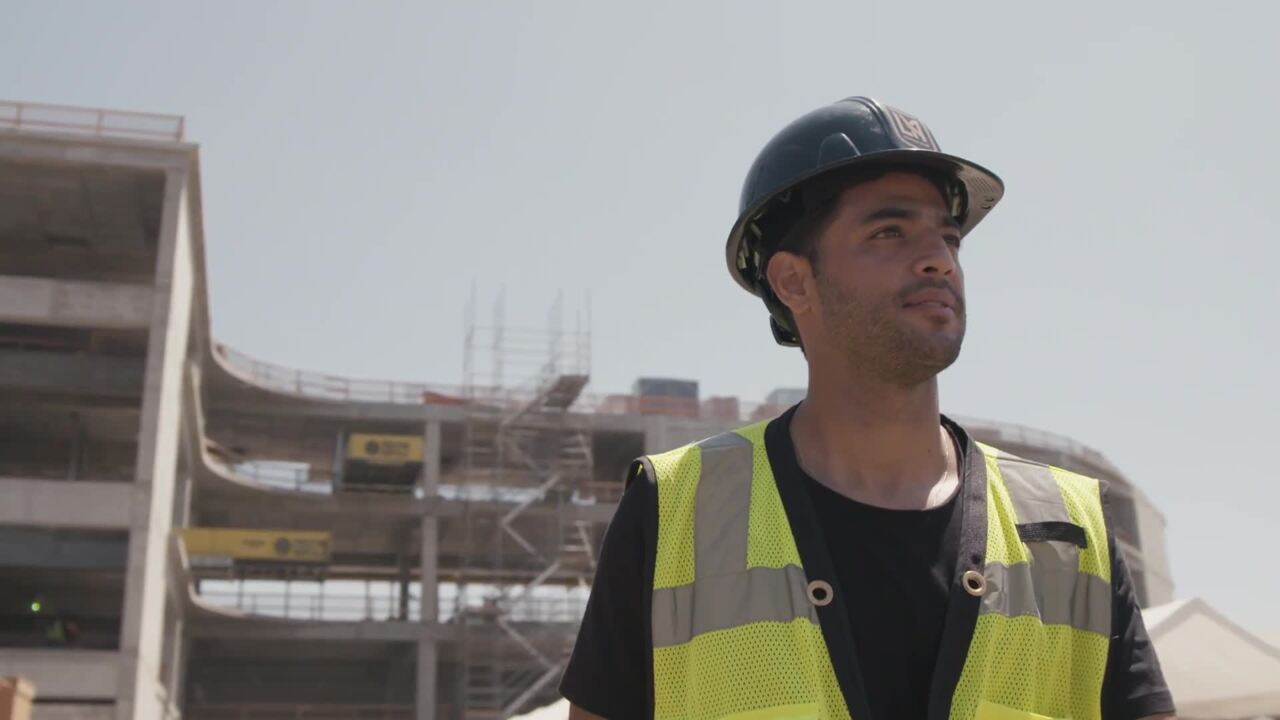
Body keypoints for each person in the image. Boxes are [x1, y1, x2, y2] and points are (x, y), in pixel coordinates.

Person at [560, 97, 1176, 720]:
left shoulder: (1072, 531)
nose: (940, 258)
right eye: (890, 231)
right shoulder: (674, 511)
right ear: (793, 282)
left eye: (949, 237)